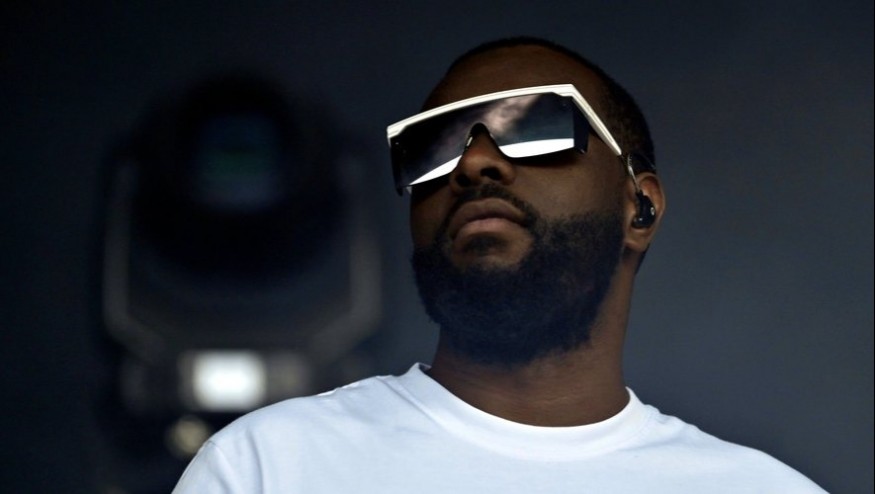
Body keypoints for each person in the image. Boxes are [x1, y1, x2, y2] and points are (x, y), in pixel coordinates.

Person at [173, 37, 826, 493]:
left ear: (640, 206)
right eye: (433, 148)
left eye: (533, 125)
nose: (474, 163)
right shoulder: (268, 467)